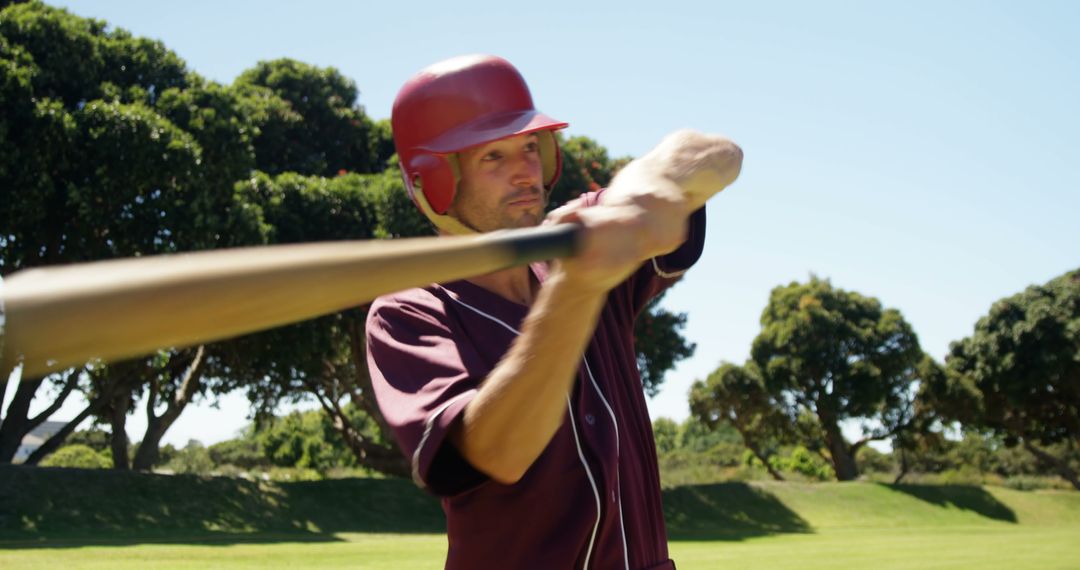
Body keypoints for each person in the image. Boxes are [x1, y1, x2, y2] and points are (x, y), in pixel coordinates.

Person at [366, 54, 742, 570]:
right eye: (492, 157)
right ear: (434, 182)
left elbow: (718, 154)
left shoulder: (588, 235)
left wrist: (637, 190)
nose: (525, 172)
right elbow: (499, 452)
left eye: (529, 147)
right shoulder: (408, 314)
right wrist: (577, 288)